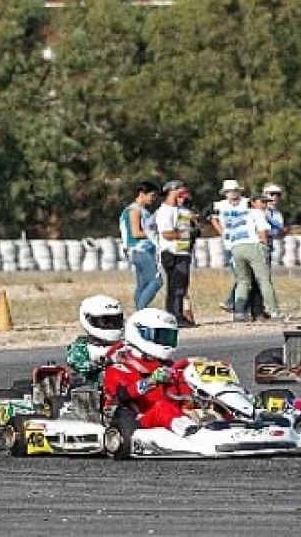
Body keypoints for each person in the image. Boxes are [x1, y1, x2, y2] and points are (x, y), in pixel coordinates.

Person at [101, 308, 200, 436]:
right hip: (137, 421)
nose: (165, 342)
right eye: (160, 336)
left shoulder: (168, 365)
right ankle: (191, 432)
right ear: (139, 333)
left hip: (173, 416)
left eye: (168, 337)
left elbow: (183, 393)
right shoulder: (118, 368)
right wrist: (150, 381)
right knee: (162, 407)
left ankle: (225, 423)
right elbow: (121, 396)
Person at [225, 193, 281, 322]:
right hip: (253, 246)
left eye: (266, 203)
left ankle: (239, 313)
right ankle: (275, 312)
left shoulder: (238, 215)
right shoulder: (258, 213)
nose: (265, 205)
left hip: (236, 247)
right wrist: (265, 247)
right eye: (263, 202)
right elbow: (262, 231)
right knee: (264, 280)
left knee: (242, 281)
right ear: (253, 203)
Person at [155, 180, 198, 328]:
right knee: (175, 287)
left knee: (182, 286)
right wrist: (187, 234)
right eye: (179, 189)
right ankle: (174, 316)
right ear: (171, 191)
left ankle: (179, 314)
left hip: (183, 252)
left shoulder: (182, 210)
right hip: (171, 253)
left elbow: (188, 225)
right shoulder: (164, 211)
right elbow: (167, 234)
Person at [65, 295, 126, 387]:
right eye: (106, 321)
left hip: (126, 388)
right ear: (88, 319)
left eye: (116, 320)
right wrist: (101, 363)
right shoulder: (80, 347)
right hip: (94, 391)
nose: (112, 325)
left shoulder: (125, 346)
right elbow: (78, 363)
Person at [120, 181, 162, 311]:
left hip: (144, 250)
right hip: (140, 249)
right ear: (142, 194)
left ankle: (139, 311)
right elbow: (136, 232)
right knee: (156, 281)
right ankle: (141, 310)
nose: (153, 199)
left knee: (143, 284)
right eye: (152, 195)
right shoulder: (134, 210)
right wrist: (156, 235)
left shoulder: (143, 211)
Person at [212, 179, 251, 313]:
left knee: (246, 275)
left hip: (246, 241)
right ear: (225, 194)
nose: (232, 194)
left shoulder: (247, 203)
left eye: (234, 191)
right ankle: (233, 302)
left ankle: (236, 303)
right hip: (230, 245)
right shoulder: (220, 205)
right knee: (241, 275)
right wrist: (222, 232)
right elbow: (213, 218)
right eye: (229, 192)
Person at [262, 183, 289, 264]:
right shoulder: (260, 211)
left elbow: (280, 229)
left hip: (276, 243)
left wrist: (284, 230)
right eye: (272, 194)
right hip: (264, 243)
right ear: (265, 195)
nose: (275, 197)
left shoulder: (278, 213)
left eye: (278, 194)